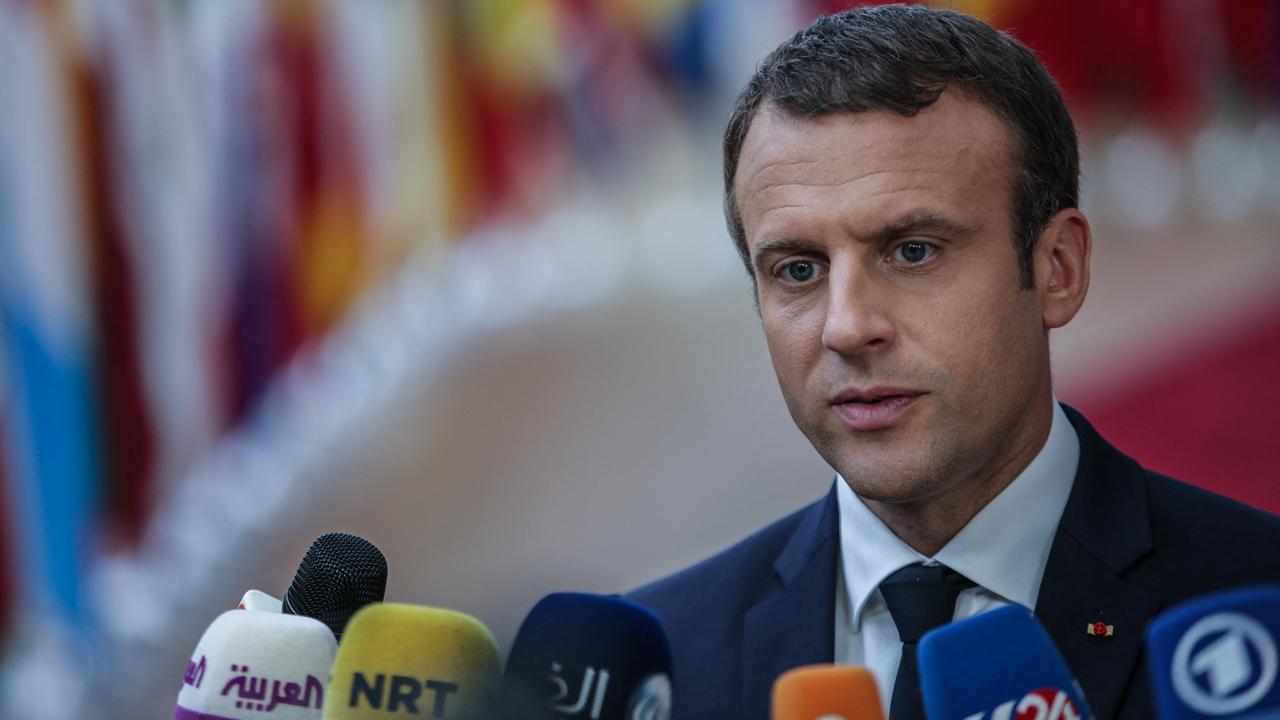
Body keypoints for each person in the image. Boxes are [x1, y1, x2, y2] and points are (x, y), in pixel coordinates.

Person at [628, 5, 1280, 719]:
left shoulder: (1253, 600)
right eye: (798, 270)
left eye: (913, 251)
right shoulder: (657, 667)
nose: (846, 327)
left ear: (1057, 268)